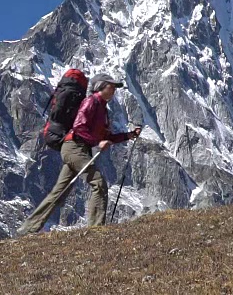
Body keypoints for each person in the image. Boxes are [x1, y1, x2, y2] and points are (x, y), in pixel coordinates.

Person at [17, 73, 141, 235]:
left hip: (78, 149)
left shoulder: (102, 108)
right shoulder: (91, 102)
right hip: (74, 147)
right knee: (98, 182)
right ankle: (96, 229)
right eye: (111, 86)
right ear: (101, 86)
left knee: (60, 191)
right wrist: (98, 142)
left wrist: (128, 135)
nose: (114, 90)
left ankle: (28, 228)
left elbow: (106, 136)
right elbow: (79, 126)